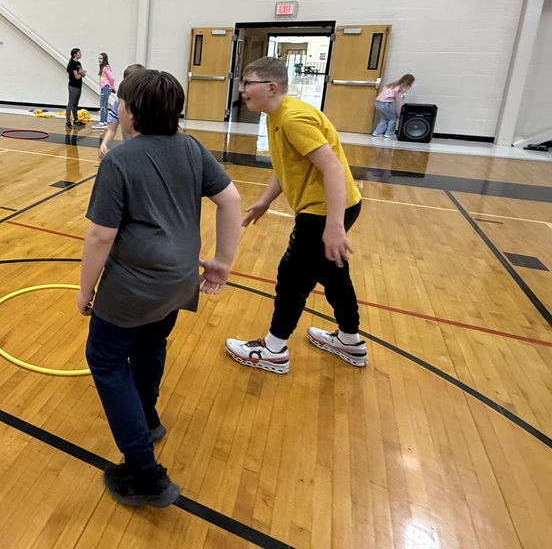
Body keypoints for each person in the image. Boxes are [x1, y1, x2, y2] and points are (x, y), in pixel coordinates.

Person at [79, 69, 242, 508]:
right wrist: (222, 264)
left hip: (134, 286)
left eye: (121, 103)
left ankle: (145, 474)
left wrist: (84, 290)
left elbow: (99, 236)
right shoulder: (190, 146)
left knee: (106, 361)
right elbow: (231, 200)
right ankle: (148, 419)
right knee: (151, 345)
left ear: (131, 110)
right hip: (179, 281)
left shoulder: (119, 160)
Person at [225, 56, 367, 375]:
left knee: (292, 277)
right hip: (332, 206)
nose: (242, 89)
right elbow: (288, 165)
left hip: (324, 210)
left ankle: (273, 349)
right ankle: (349, 339)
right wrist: (264, 201)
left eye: (248, 83)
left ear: (271, 87)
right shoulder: (275, 116)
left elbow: (332, 167)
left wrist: (333, 226)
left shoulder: (293, 118)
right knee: (332, 274)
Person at [98, 63, 145, 161]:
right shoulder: (119, 102)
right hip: (128, 150)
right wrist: (104, 144)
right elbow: (112, 129)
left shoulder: (148, 103)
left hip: (145, 152)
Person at [372, 73, 415, 138]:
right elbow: (398, 102)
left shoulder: (390, 85)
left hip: (378, 102)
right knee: (393, 118)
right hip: (386, 103)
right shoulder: (399, 88)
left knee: (384, 118)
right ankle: (389, 133)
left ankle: (377, 132)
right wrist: (399, 114)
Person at [93, 53, 114, 130]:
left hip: (105, 87)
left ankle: (102, 122)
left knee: (102, 105)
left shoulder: (105, 67)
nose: (99, 60)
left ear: (104, 59)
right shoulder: (103, 67)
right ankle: (104, 121)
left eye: (101, 58)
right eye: (98, 58)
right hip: (104, 87)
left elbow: (111, 78)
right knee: (104, 105)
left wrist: (112, 86)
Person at [65, 48, 86, 128]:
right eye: (79, 53)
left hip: (79, 85)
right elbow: (77, 76)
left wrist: (81, 73)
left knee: (76, 104)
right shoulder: (72, 64)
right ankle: (67, 121)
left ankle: (76, 120)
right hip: (73, 85)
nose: (80, 54)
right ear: (75, 54)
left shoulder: (79, 63)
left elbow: (83, 75)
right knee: (71, 103)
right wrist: (81, 73)